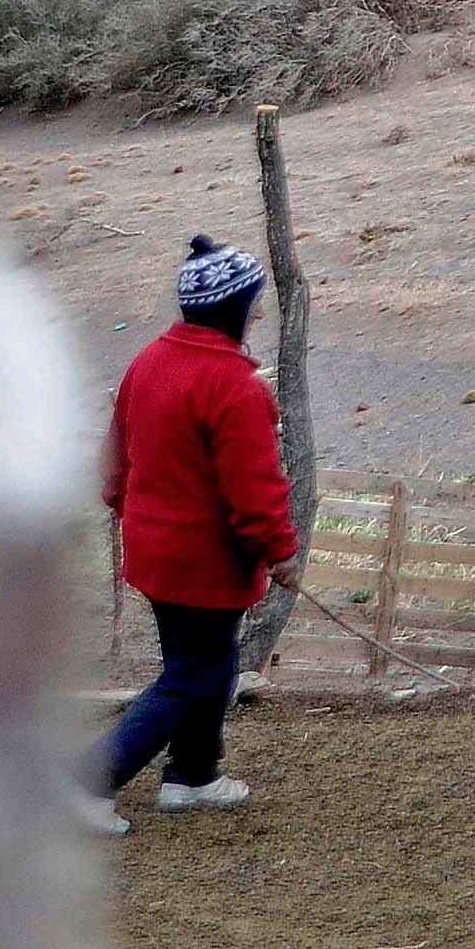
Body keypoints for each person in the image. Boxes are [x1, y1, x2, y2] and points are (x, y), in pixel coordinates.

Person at [85, 235, 302, 832]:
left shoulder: (149, 360)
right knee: (196, 674)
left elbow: (116, 451)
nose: (261, 311)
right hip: (202, 562)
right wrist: (281, 552)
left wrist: (117, 501)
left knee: (206, 662)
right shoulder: (236, 387)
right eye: (255, 301)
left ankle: (193, 775)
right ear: (233, 307)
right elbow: (255, 487)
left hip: (155, 553)